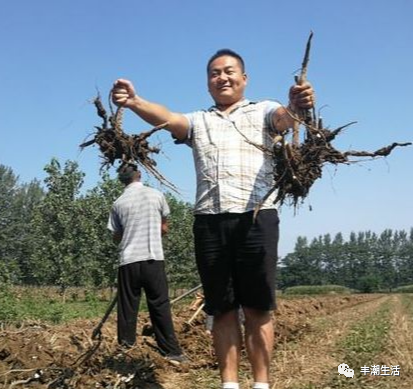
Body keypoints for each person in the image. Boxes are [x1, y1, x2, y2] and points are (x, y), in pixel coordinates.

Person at [111, 49, 315, 389]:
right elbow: (168, 117)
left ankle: (262, 383)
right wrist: (134, 102)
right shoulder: (199, 122)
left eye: (230, 71)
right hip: (210, 223)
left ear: (244, 78)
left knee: (258, 309)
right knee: (220, 309)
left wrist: (297, 106)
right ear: (208, 83)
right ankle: (229, 383)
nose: (222, 77)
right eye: (215, 73)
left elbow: (285, 118)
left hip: (256, 218)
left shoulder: (263, 111)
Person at [107, 163, 186, 363]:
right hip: (153, 258)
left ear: (121, 181)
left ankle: (126, 350)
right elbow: (165, 228)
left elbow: (117, 236)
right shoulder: (156, 195)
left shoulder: (118, 203)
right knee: (159, 305)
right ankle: (172, 352)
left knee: (127, 308)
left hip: (129, 261)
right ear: (139, 175)